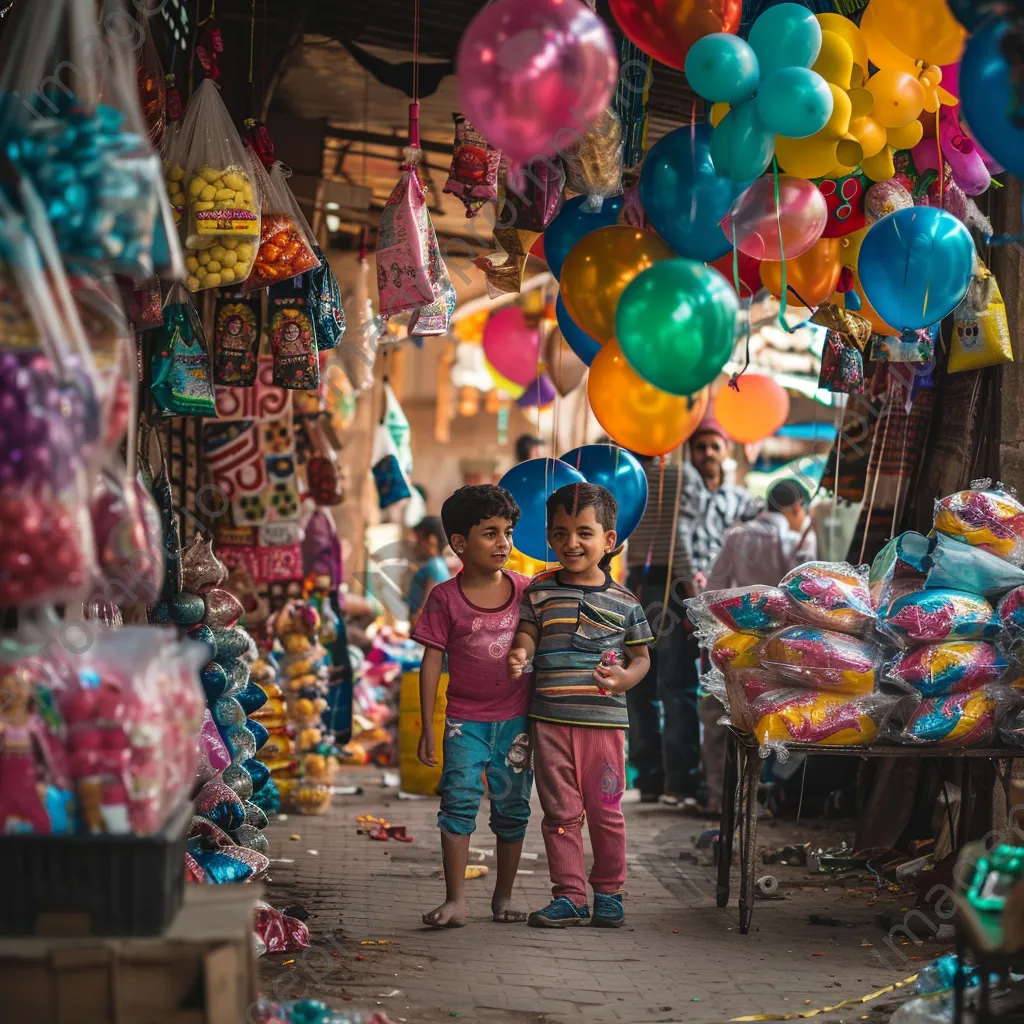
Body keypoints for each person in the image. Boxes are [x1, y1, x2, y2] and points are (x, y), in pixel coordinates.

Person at [509, 483, 653, 928]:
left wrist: (625, 677)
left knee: (607, 812)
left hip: (605, 728)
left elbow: (642, 658)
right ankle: (569, 895)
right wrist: (521, 650)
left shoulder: (626, 602)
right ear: (548, 537)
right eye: (560, 533)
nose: (571, 543)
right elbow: (530, 632)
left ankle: (609, 891)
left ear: (609, 541)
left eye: (584, 533)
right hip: (549, 723)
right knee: (559, 814)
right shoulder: (538, 590)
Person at [412, 485, 534, 928]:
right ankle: (456, 900)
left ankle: (503, 898)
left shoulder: (527, 591)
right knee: (458, 802)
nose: (504, 543)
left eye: (509, 532)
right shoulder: (445, 598)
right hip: (465, 722)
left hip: (518, 722)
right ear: (460, 544)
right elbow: (431, 662)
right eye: (490, 533)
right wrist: (429, 726)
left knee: (512, 806)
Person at [699, 478, 817, 814]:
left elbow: (714, 588)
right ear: (797, 507)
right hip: (781, 648)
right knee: (772, 717)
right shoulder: (799, 541)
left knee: (721, 716)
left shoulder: (738, 535)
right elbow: (806, 600)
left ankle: (720, 798)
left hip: (734, 643)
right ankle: (760, 797)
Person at [666, 415, 761, 809]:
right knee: (678, 689)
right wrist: (692, 592)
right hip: (686, 597)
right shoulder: (686, 495)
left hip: (732, 607)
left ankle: (725, 789)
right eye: (700, 447)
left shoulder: (741, 498)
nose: (707, 454)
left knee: (727, 691)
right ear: (691, 452)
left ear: (726, 453)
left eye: (713, 447)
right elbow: (682, 542)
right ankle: (687, 783)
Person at [624, 454, 700, 803]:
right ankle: (679, 779)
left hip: (635, 584)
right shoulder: (676, 474)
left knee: (640, 686)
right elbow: (679, 534)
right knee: (676, 685)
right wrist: (693, 593)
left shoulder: (625, 472)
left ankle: (651, 778)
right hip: (671, 585)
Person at [407, 516, 451, 629]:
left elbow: (428, 608)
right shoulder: (440, 564)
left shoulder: (434, 565)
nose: (416, 546)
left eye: (418, 540)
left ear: (431, 540)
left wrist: (415, 625)